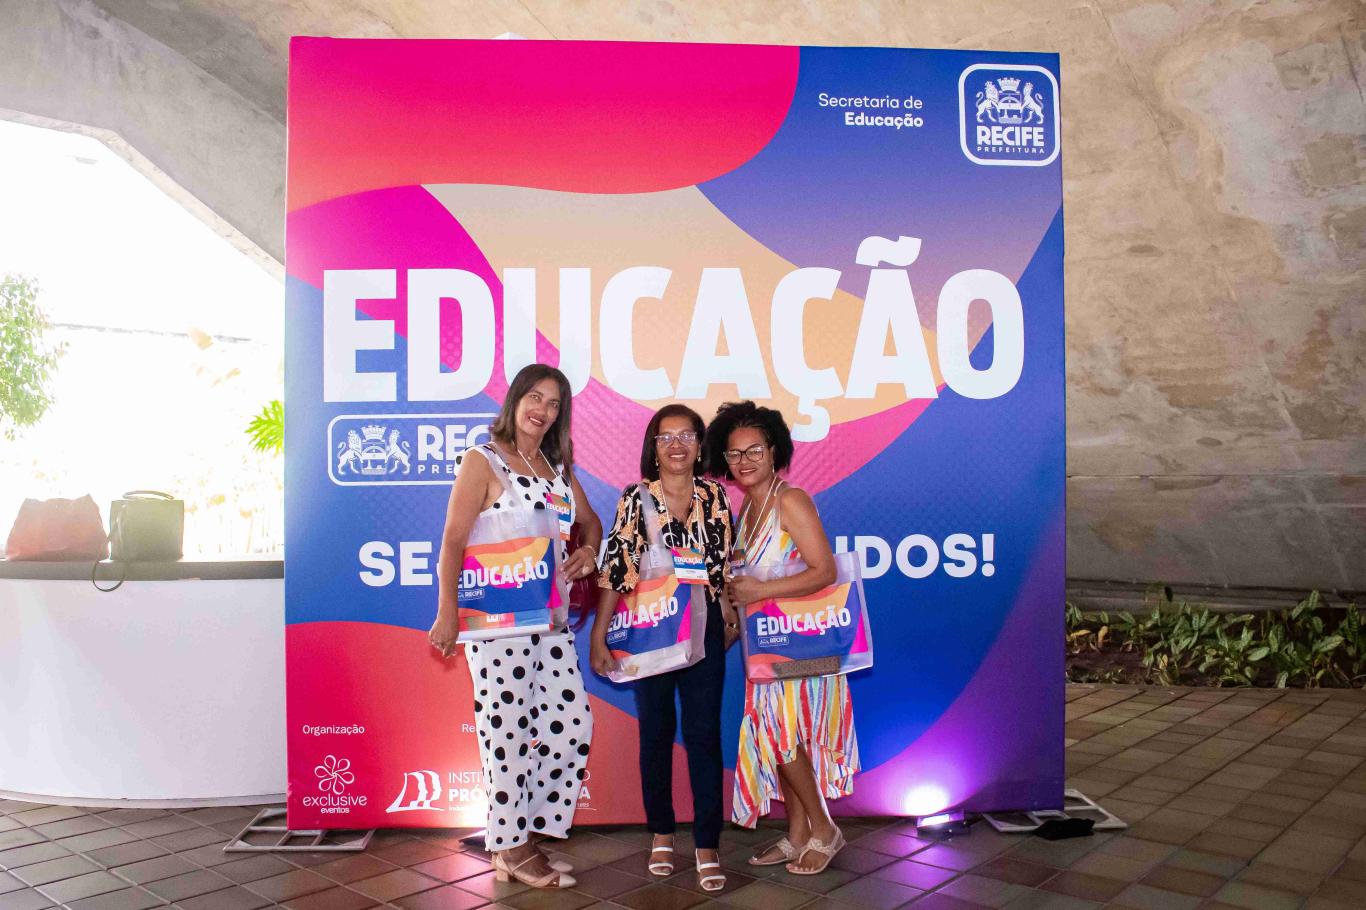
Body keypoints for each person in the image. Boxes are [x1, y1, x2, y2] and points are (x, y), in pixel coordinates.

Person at [429, 364, 602, 889]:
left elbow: (590, 522)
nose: (542, 410)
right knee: (505, 731)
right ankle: (510, 845)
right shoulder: (482, 459)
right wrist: (446, 612)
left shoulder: (555, 467)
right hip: (496, 623)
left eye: (554, 403)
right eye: (534, 397)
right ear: (515, 400)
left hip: (550, 623)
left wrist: (589, 550)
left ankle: (520, 834)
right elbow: (453, 540)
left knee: (572, 724)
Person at [590, 404, 739, 892]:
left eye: (686, 435)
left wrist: (730, 615)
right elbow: (617, 569)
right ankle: (661, 833)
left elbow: (724, 567)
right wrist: (598, 635)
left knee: (704, 735)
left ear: (700, 445)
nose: (676, 445)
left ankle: (707, 843)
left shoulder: (716, 495)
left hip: (704, 629)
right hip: (652, 630)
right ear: (653, 448)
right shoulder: (636, 498)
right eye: (665, 437)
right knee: (655, 733)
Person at [706, 400, 858, 875]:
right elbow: (744, 590)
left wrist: (762, 591)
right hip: (766, 649)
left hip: (802, 646)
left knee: (782, 735)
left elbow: (825, 570)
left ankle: (825, 828)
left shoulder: (791, 500)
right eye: (734, 454)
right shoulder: (747, 508)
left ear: (775, 451)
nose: (744, 461)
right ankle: (797, 834)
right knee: (778, 737)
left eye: (754, 450)